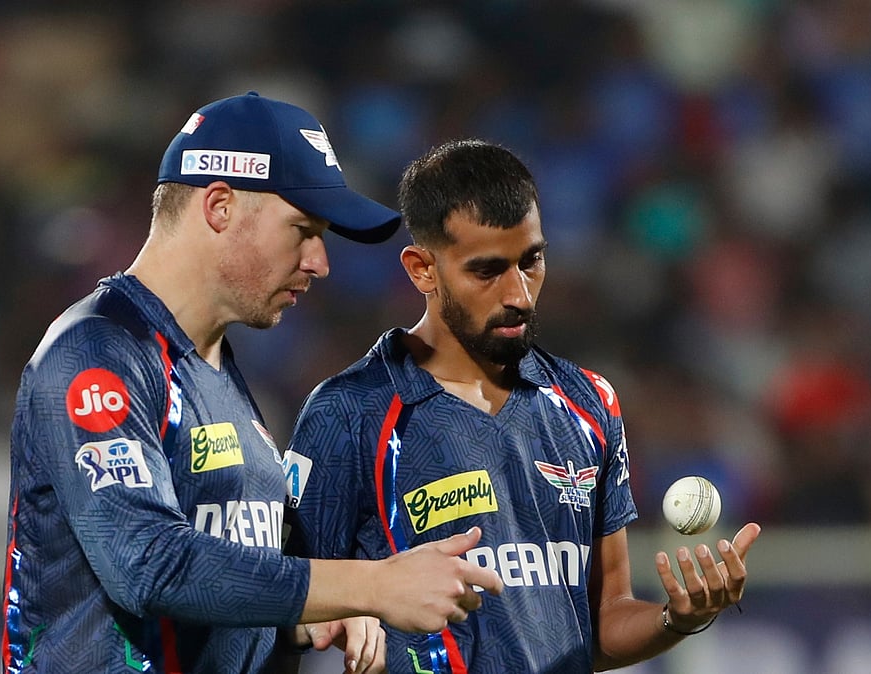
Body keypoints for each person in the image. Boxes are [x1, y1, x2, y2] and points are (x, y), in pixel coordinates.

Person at [2, 93, 503, 674]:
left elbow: (222, 592)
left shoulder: (215, 370)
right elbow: (147, 564)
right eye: (302, 230)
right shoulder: (98, 351)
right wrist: (368, 585)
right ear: (219, 205)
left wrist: (319, 608)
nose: (320, 262)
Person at [283, 139, 762, 673]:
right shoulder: (349, 413)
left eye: (531, 261)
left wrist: (680, 618)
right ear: (422, 269)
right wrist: (352, 608)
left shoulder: (589, 403)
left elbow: (602, 623)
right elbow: (286, 607)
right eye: (487, 270)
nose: (519, 294)